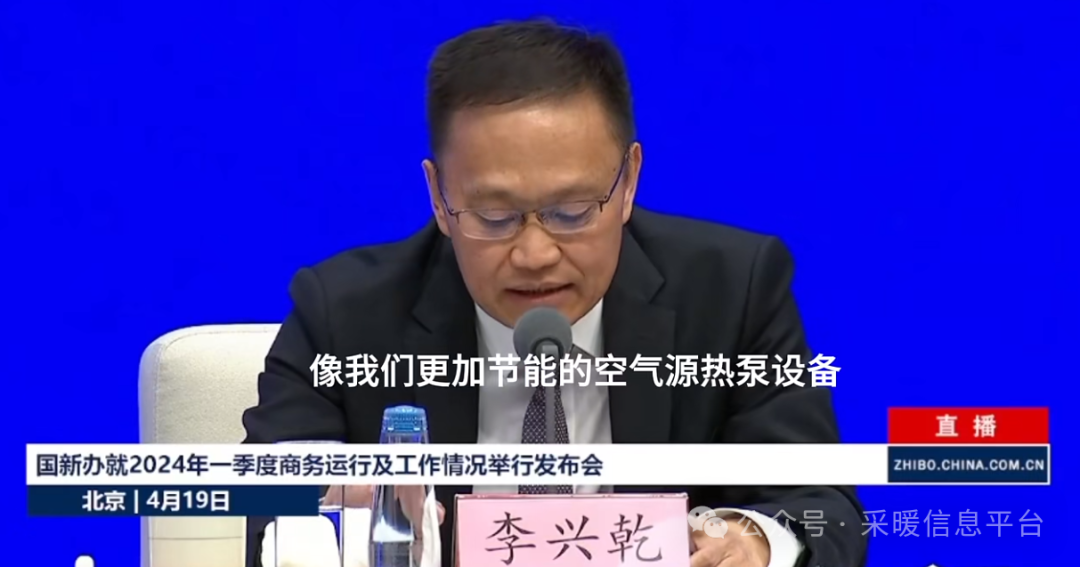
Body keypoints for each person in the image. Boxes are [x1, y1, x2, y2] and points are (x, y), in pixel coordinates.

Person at [242, 18, 867, 567]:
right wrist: (321, 497)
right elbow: (251, 494)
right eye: (494, 216)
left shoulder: (733, 288)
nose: (535, 253)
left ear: (628, 182)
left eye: (571, 212)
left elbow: (821, 504)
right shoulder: (344, 310)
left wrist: (754, 538)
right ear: (438, 197)